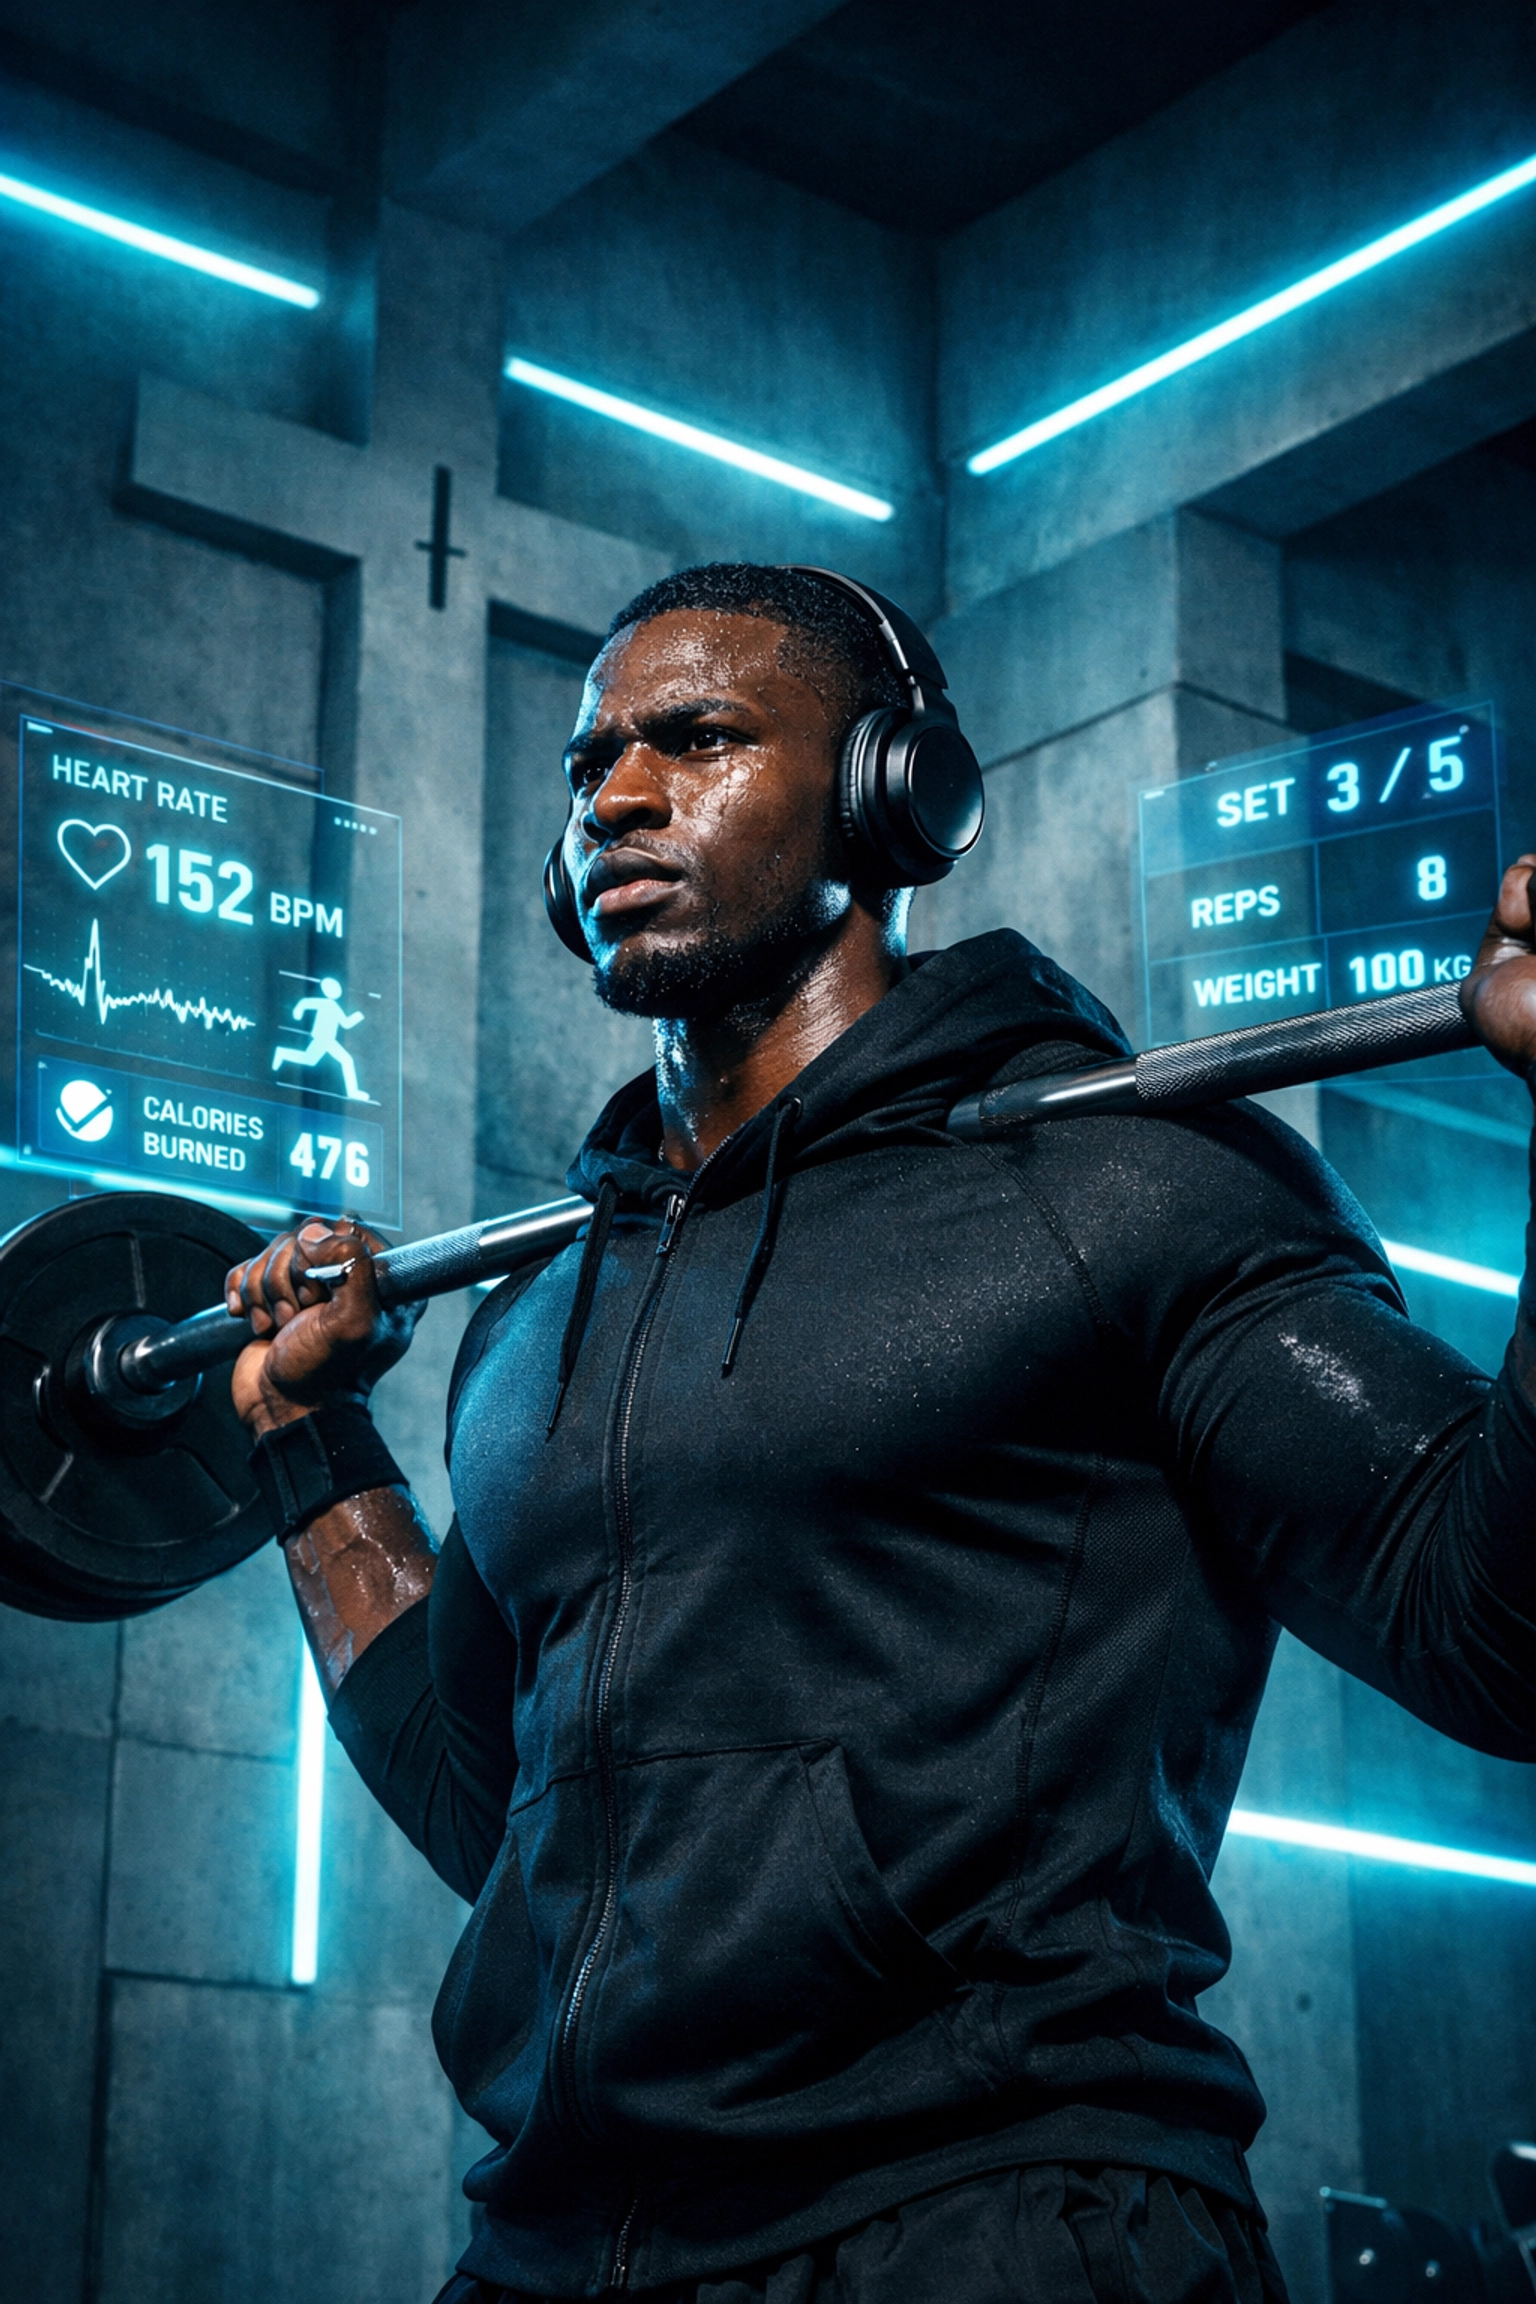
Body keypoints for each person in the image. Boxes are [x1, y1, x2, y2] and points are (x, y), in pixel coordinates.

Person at [225, 564, 1536, 2304]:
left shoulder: (1126, 1194)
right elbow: (508, 1819)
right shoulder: (542, 1317)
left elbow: (1491, 1625)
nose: (615, 796)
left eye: (694, 740)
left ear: (891, 793)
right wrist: (318, 1454)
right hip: (557, 2250)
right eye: (591, 761)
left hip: (994, 2219)